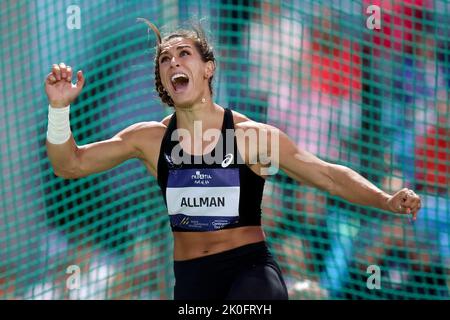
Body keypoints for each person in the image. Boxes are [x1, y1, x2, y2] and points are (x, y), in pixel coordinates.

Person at [44, 19, 422, 300]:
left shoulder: (251, 136)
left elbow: (327, 176)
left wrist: (384, 199)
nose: (174, 62)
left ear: (207, 68)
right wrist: (59, 110)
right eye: (165, 59)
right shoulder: (149, 139)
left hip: (251, 274)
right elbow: (70, 164)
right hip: (192, 282)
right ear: (162, 79)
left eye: (184, 54)